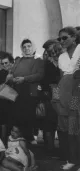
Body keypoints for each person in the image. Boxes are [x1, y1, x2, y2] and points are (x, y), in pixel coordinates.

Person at [7, 38, 44, 142]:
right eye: (24, 47)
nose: (26, 48)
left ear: (33, 47)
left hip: (29, 91)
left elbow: (39, 75)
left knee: (28, 115)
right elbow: (12, 72)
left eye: (29, 46)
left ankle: (30, 137)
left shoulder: (38, 61)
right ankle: (18, 137)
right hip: (17, 90)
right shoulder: (19, 60)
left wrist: (24, 79)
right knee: (17, 114)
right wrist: (11, 78)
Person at [56, 26, 80, 170]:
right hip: (67, 95)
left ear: (74, 37)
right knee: (72, 129)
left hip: (78, 93)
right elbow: (61, 79)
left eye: (65, 37)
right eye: (60, 39)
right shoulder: (61, 57)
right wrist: (58, 99)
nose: (62, 41)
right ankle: (73, 159)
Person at [40, 39, 62, 157]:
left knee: (63, 123)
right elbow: (43, 80)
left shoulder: (65, 61)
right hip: (49, 95)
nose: (53, 52)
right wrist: (45, 92)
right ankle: (50, 150)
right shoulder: (46, 64)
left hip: (65, 95)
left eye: (54, 50)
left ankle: (64, 150)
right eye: (49, 51)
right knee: (49, 122)